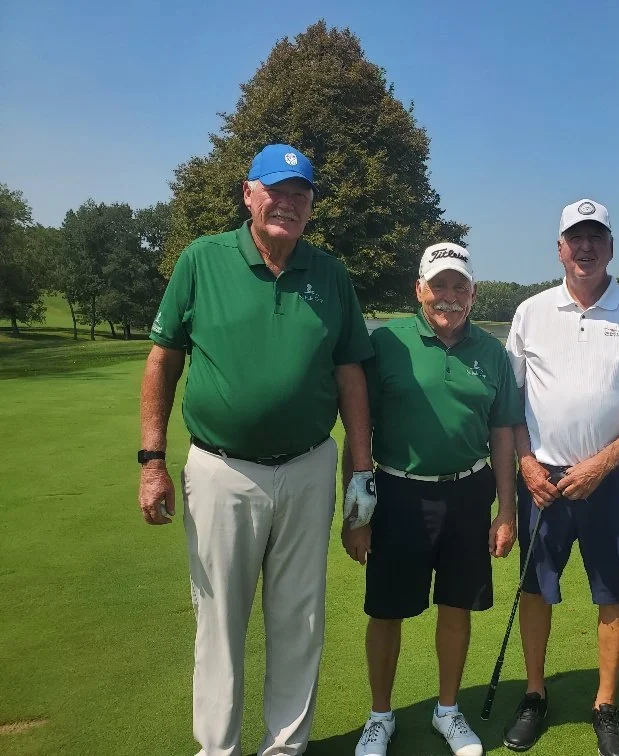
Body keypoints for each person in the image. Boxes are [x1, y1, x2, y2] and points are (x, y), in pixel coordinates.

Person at [137, 144, 377, 756]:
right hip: (221, 469)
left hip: (308, 466)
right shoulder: (202, 259)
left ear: (311, 207)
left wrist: (360, 473)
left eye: (301, 195)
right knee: (218, 623)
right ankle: (217, 749)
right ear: (248, 194)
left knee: (298, 620)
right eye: (277, 191)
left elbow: (351, 373)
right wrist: (152, 461)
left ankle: (286, 748)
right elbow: (163, 359)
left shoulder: (330, 273)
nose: (288, 204)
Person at [502, 199, 619, 756]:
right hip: (543, 481)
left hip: (614, 479)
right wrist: (526, 463)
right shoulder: (531, 312)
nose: (586, 247)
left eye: (595, 236)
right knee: (536, 590)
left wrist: (604, 463)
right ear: (559, 248)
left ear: (610, 247)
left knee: (613, 595)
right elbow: (512, 400)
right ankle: (534, 695)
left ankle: (606, 704)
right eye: (575, 237)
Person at [342, 242, 525, 756]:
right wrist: (356, 514)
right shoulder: (388, 345)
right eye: (438, 285)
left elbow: (503, 432)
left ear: (473, 293)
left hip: (469, 493)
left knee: (456, 605)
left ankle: (448, 710)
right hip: (398, 492)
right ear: (418, 290)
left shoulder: (491, 351)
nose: (449, 297)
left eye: (459, 287)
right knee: (386, 610)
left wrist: (506, 509)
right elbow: (358, 430)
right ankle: (380, 716)